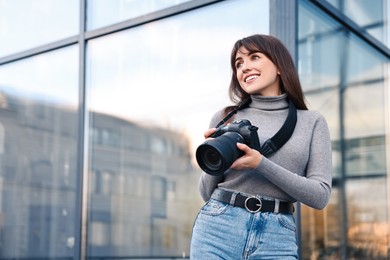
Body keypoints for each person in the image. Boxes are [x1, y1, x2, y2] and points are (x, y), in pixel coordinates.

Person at [190, 34, 332, 259]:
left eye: (254, 57)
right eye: (239, 63)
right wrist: (213, 153)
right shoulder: (226, 117)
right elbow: (206, 192)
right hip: (217, 228)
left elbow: (320, 196)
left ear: (279, 66)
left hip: (276, 237)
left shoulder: (312, 122)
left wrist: (260, 164)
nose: (245, 68)